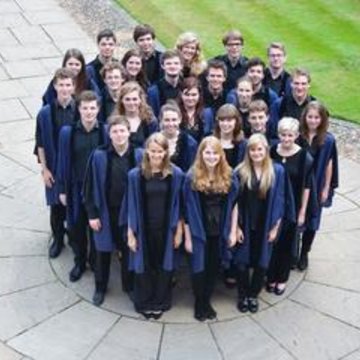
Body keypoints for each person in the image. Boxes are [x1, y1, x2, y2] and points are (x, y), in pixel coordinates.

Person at [83, 116, 143, 306]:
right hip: (106, 212)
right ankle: (100, 287)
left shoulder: (139, 155)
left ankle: (129, 286)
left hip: (130, 214)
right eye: (114, 131)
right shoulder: (99, 155)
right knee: (102, 251)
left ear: (129, 132)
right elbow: (89, 187)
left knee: (128, 251)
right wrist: (92, 214)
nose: (119, 135)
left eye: (122, 131)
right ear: (109, 134)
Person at [127, 132, 184, 319]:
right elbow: (131, 206)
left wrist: (178, 233)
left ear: (166, 152)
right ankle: (144, 302)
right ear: (146, 152)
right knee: (145, 264)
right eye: (152, 151)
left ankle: (160, 301)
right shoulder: (136, 175)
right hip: (144, 229)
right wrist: (130, 233)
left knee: (163, 265)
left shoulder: (175, 174)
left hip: (166, 230)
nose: (156, 155)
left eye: (160, 151)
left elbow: (180, 205)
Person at [183, 136, 239, 321]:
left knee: (213, 267)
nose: (211, 156)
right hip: (199, 229)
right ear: (201, 154)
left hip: (219, 229)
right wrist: (188, 237)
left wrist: (232, 230)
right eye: (207, 152)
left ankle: (207, 299)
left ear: (221, 155)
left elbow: (234, 205)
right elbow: (185, 209)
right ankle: (200, 303)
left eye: (215, 153)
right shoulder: (191, 176)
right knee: (198, 267)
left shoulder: (229, 175)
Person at [57, 90, 108, 282]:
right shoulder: (68, 133)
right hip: (76, 188)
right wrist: (61, 189)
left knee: (97, 227)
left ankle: (95, 261)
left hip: (97, 190)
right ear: (78, 109)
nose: (89, 112)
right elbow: (62, 162)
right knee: (76, 228)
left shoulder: (104, 131)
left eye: (92, 108)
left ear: (98, 109)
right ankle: (79, 262)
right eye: (85, 108)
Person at [234, 133, 285, 313]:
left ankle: (253, 295)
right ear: (248, 151)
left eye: (259, 149)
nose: (256, 153)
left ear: (266, 150)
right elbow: (235, 203)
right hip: (246, 223)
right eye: (252, 150)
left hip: (265, 224)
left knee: (262, 262)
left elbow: (280, 200)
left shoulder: (277, 171)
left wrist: (275, 227)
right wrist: (236, 227)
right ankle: (243, 294)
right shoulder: (240, 171)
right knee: (241, 261)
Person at [267, 117, 313, 295]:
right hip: (273, 204)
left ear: (296, 135)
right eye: (283, 135)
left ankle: (282, 278)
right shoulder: (272, 151)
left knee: (287, 244)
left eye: (290, 135)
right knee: (272, 242)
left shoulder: (304, 157)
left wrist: (302, 211)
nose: (286, 139)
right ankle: (270, 276)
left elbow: (307, 186)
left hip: (292, 205)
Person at [35, 68, 78, 258]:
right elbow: (41, 144)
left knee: (75, 206)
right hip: (53, 166)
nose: (65, 89)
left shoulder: (81, 109)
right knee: (56, 208)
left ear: (74, 87)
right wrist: (44, 170)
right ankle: (58, 239)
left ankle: (76, 240)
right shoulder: (44, 113)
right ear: (55, 86)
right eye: (61, 85)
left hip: (74, 168)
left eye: (68, 85)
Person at [297, 101, 338, 270]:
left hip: (318, 182)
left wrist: (326, 187)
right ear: (304, 117)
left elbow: (329, 163)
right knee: (296, 218)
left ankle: (304, 252)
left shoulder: (328, 140)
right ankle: (293, 252)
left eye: (316, 117)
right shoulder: (298, 136)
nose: (313, 120)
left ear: (322, 119)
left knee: (312, 221)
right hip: (299, 183)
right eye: (310, 117)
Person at [117, 81, 158, 148]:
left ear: (140, 100)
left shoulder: (150, 121)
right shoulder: (115, 121)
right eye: (127, 99)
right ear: (121, 100)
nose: (131, 103)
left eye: (134, 99)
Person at [159, 102, 198, 172]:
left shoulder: (190, 143)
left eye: (174, 120)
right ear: (161, 120)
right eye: (167, 120)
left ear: (179, 120)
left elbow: (191, 170)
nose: (171, 124)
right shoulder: (153, 141)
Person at [177, 76, 214, 142]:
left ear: (199, 95)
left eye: (194, 95)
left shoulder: (207, 113)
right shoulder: (175, 113)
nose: (190, 98)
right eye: (187, 94)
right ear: (181, 95)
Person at [147, 50, 183, 117]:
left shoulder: (186, 87)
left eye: (176, 63)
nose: (172, 66)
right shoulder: (154, 91)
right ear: (162, 66)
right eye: (168, 63)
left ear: (181, 66)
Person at [214, 104, 247, 169]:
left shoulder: (244, 145)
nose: (225, 124)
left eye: (229, 120)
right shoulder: (211, 142)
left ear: (236, 121)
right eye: (222, 120)